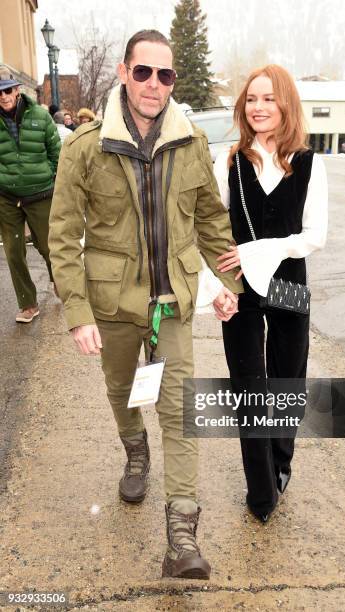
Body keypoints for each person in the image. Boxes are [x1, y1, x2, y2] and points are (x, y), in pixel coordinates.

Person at [48, 29, 241, 580]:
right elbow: (62, 236)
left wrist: (230, 286)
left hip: (172, 304)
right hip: (113, 305)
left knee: (179, 413)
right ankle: (135, 449)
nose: (154, 84)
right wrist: (78, 313)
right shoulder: (85, 147)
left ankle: (181, 536)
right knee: (119, 390)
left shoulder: (190, 143)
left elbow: (210, 222)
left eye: (166, 74)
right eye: (144, 72)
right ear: (123, 71)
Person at [213, 64, 328, 522]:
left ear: (285, 105)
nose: (258, 108)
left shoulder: (309, 162)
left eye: (269, 99)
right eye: (251, 99)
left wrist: (257, 250)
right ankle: (260, 490)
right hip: (240, 286)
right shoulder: (231, 160)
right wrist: (216, 286)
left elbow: (314, 235)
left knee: (285, 382)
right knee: (249, 387)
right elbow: (215, 227)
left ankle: (281, 462)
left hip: (288, 282)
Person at [0, 68, 61, 323]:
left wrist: (54, 179)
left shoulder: (40, 116)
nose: (3, 96)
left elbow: (56, 152)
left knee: (48, 246)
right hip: (6, 195)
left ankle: (58, 279)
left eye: (7, 90)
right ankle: (28, 304)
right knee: (13, 251)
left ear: (17, 90)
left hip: (40, 193)